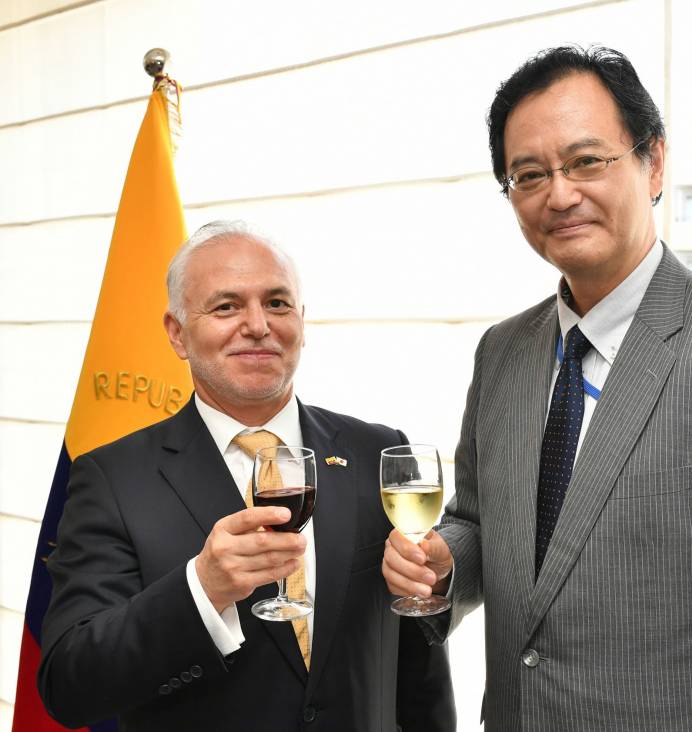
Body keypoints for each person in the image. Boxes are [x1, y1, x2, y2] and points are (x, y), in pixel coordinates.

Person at [382, 46, 692, 730]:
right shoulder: (503, 353)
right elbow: (481, 522)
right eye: (529, 174)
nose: (560, 193)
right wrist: (440, 563)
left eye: (586, 161)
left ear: (653, 162)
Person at [39, 220, 455, 732]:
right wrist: (202, 591)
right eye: (226, 306)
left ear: (302, 321)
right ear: (177, 334)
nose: (258, 324)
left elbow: (419, 665)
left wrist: (436, 577)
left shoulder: (376, 452)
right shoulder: (111, 478)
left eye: (277, 303)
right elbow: (69, 684)